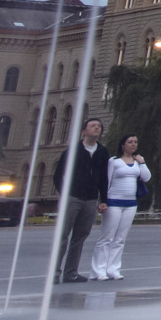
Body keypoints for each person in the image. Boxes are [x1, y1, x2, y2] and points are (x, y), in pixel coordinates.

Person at [89, 134, 149, 282]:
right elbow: (106, 181)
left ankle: (113, 269)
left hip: (130, 204)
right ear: (123, 145)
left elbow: (146, 177)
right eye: (130, 142)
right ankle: (98, 270)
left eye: (135, 142)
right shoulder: (114, 161)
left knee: (120, 239)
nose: (133, 144)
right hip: (114, 202)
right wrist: (103, 200)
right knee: (106, 238)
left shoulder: (137, 162)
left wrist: (142, 162)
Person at [58, 117, 110, 283]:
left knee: (80, 237)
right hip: (72, 197)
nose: (97, 128)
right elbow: (59, 174)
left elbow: (103, 177)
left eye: (99, 126)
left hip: (90, 200)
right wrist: (65, 192)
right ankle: (54, 272)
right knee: (63, 236)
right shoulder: (73, 150)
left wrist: (103, 199)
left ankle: (71, 272)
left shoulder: (102, 152)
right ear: (84, 131)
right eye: (93, 126)